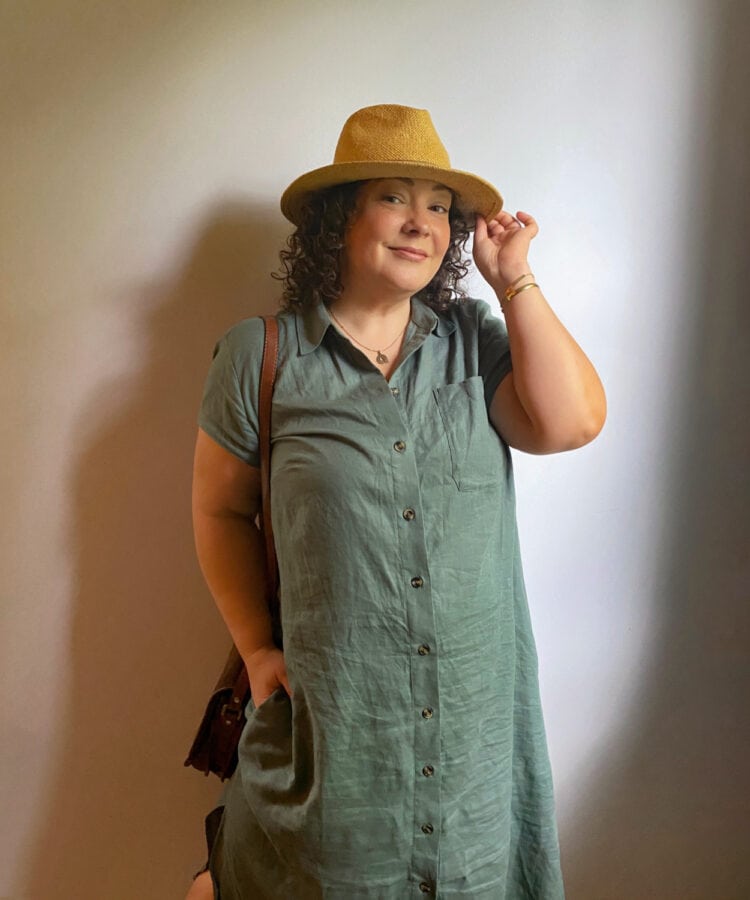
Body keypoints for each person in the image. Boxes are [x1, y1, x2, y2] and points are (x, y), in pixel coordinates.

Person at [186, 104, 606, 900]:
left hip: (475, 748)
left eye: (440, 206)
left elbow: (572, 423)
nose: (423, 222)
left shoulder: (475, 341)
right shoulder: (261, 357)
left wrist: (513, 277)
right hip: (340, 748)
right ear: (340, 219)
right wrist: (255, 647)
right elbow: (218, 513)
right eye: (395, 197)